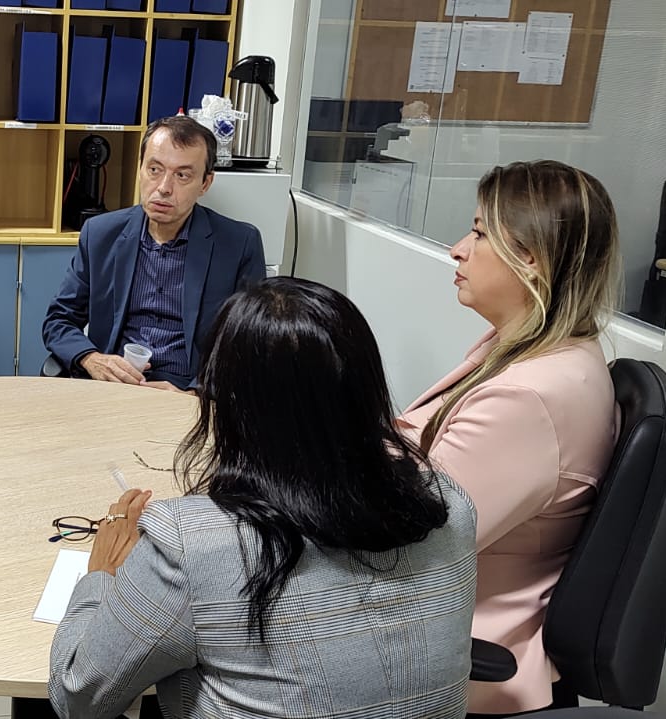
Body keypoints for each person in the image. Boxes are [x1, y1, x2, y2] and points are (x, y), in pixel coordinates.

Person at [49, 277, 478, 718]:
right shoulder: (451, 505)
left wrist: (100, 574)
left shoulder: (189, 545)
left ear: (227, 401)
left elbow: (79, 697)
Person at [395, 160, 621, 717]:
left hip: (458, 656)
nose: (457, 249)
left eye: (477, 233)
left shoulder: (532, 398)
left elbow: (408, 540)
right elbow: (416, 443)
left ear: (531, 259)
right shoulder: (523, 348)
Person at [42, 115, 266, 392]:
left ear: (205, 183)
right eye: (154, 169)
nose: (163, 188)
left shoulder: (239, 244)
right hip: (112, 386)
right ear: (140, 170)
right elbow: (59, 320)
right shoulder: (100, 234)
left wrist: (195, 394)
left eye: (182, 175)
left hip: (189, 392)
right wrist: (91, 358)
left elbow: (251, 344)